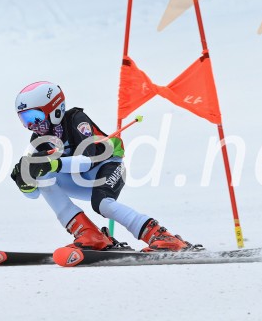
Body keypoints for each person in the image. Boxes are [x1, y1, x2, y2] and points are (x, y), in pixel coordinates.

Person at [10, 81, 197, 252]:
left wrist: (52, 163)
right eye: (25, 119)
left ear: (55, 110)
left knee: (103, 204)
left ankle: (160, 235)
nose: (32, 125)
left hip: (108, 167)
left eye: (35, 117)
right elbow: (34, 195)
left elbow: (87, 161)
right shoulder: (37, 141)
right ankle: (89, 234)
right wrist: (26, 181)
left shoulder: (76, 119)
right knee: (42, 175)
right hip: (80, 180)